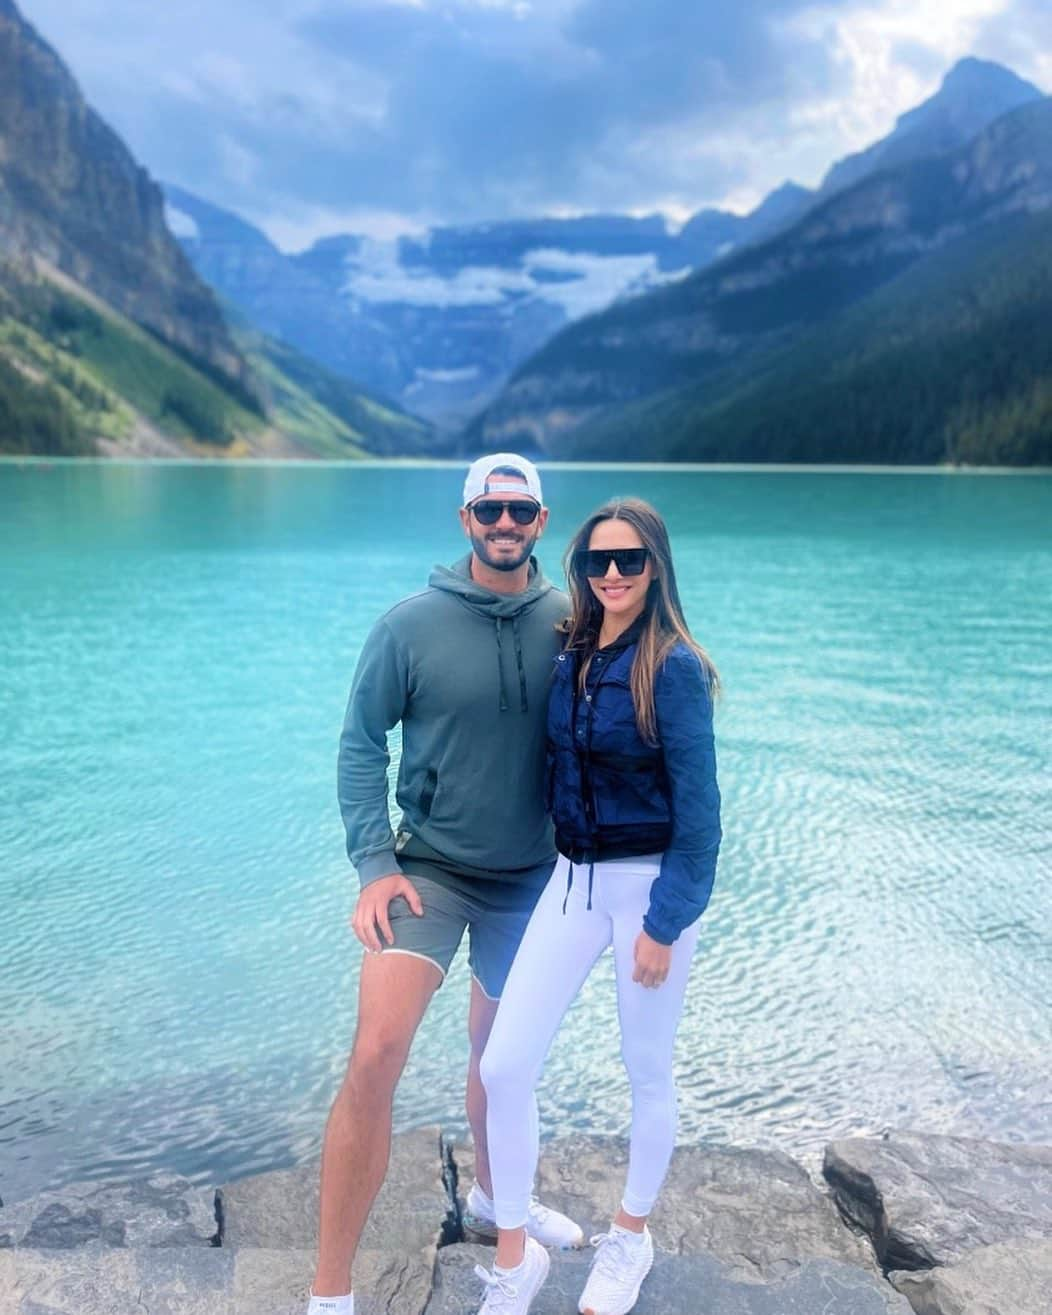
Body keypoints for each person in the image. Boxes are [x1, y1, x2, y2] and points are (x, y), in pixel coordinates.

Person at [307, 455, 585, 1315]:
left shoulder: (573, 620)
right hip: (426, 871)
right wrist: (373, 865)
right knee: (375, 1056)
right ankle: (330, 1293)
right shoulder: (409, 625)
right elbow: (361, 743)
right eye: (489, 509)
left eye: (522, 510)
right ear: (465, 518)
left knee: (502, 1062)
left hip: (532, 880)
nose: (505, 523)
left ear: (542, 521)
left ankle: (497, 1201)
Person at [474, 497, 722, 1315]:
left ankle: (630, 1236)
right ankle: (517, 1259)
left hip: (647, 890)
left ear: (656, 568)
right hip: (570, 882)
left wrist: (664, 922)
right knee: (505, 1064)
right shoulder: (571, 651)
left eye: (630, 561)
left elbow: (702, 820)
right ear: (580, 569)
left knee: (646, 1070)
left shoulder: (674, 665)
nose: (612, 574)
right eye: (597, 561)